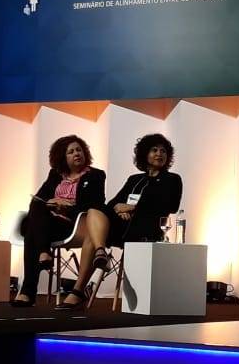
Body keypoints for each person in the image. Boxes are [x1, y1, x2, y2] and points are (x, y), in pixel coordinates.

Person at [66, 133, 184, 311]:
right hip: (121, 226)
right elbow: (113, 203)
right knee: (94, 212)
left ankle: (78, 290)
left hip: (145, 228)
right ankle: (99, 254)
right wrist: (118, 209)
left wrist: (133, 208)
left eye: (163, 151)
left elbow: (171, 206)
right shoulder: (134, 179)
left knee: (93, 236)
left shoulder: (172, 179)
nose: (159, 154)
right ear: (145, 154)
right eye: (154, 150)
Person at [12, 135, 106, 308]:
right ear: (62, 157)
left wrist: (66, 208)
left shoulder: (95, 175)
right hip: (49, 224)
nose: (76, 154)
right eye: (71, 152)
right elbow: (39, 199)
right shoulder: (55, 174)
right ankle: (43, 252)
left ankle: (28, 290)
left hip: (74, 224)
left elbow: (96, 205)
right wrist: (53, 202)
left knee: (32, 229)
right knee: (38, 205)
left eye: (79, 150)